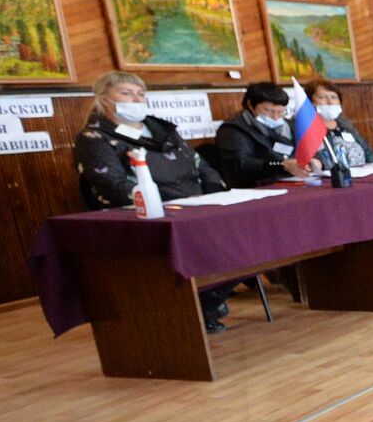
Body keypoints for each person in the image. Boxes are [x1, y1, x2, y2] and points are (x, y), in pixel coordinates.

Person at [74, 71, 234, 333]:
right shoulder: (95, 138)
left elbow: (201, 166)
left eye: (140, 94)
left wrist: (215, 194)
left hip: (197, 208)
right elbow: (112, 184)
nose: (135, 99)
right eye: (126, 93)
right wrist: (167, 205)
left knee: (243, 238)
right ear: (104, 99)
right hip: (145, 217)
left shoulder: (163, 131)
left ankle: (208, 300)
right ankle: (194, 307)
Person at [215, 82, 312, 187]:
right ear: (251, 105)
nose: (275, 117)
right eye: (269, 111)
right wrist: (282, 165)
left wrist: (314, 160)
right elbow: (241, 165)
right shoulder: (233, 130)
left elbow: (306, 147)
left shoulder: (288, 126)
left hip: (292, 181)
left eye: (280, 112)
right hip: (255, 187)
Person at [305, 79, 373, 169]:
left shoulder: (345, 124)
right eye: (322, 97)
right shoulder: (306, 128)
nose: (330, 102)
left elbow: (368, 151)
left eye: (334, 97)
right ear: (310, 102)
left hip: (364, 173)